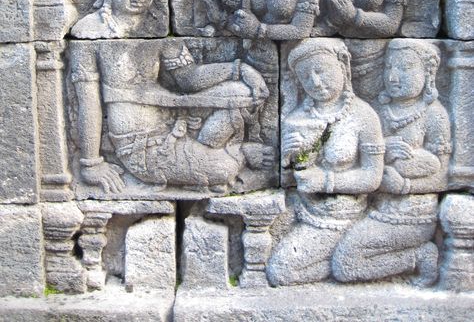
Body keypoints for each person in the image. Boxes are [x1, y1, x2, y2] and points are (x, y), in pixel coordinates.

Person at [70, 40, 273, 194]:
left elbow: (190, 79)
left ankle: (206, 146)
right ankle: (240, 152)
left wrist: (241, 70)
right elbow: (88, 103)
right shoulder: (90, 33)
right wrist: (91, 163)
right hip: (144, 147)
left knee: (243, 92)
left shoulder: (156, 26)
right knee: (224, 169)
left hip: (174, 122)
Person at [332, 40, 451, 287]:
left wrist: (404, 185)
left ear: (428, 74)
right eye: (388, 68)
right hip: (374, 206)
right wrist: (383, 152)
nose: (393, 77)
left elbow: (442, 177)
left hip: (413, 215)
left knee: (345, 264)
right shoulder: (379, 109)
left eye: (405, 68)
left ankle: (419, 257)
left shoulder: (434, 115)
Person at [266, 39, 385, 286]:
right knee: (262, 241)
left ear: (342, 66)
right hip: (303, 208)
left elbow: (373, 177)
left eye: (321, 71)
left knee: (280, 271)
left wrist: (327, 180)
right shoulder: (298, 118)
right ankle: (343, 259)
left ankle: (347, 259)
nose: (315, 83)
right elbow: (291, 178)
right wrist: (288, 159)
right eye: (306, 77)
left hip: (342, 213)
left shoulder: (363, 116)